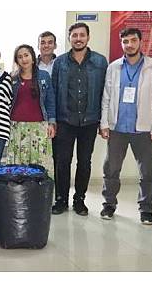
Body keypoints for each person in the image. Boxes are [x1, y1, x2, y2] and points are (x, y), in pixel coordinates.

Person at [99, 28, 152, 224]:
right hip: (117, 127)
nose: (129, 44)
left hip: (143, 129)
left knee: (147, 172)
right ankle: (109, 205)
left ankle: (146, 209)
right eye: (125, 41)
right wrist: (104, 123)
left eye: (133, 40)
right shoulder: (114, 67)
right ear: (122, 44)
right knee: (111, 169)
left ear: (140, 42)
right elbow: (106, 96)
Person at [51, 22, 108, 216]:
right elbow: (54, 91)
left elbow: (104, 93)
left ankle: (79, 200)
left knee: (84, 161)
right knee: (62, 161)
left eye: (81, 35)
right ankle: (61, 200)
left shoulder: (100, 62)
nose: (78, 39)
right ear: (69, 38)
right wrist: (53, 120)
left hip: (90, 121)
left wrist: (103, 121)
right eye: (74, 35)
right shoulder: (59, 62)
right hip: (65, 120)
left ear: (88, 37)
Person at [6, 45, 56, 172]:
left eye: (26, 55)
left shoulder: (44, 76)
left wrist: (52, 123)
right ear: (17, 61)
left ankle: (39, 192)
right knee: (18, 166)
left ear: (33, 58)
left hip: (39, 127)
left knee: (40, 165)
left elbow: (50, 101)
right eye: (20, 57)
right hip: (17, 127)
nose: (24, 59)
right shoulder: (12, 78)